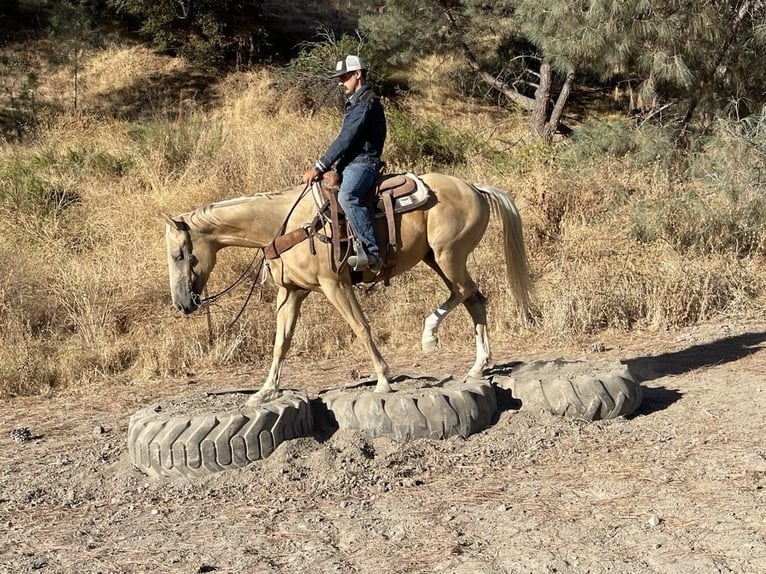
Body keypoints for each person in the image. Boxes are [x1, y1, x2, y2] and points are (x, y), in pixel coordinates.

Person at [303, 54, 387, 272]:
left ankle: (372, 252)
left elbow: (346, 138)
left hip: (364, 163)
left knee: (347, 196)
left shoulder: (366, 103)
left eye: (345, 77)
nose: (341, 82)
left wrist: (320, 165)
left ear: (357, 74)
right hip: (351, 163)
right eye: (339, 78)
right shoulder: (357, 102)